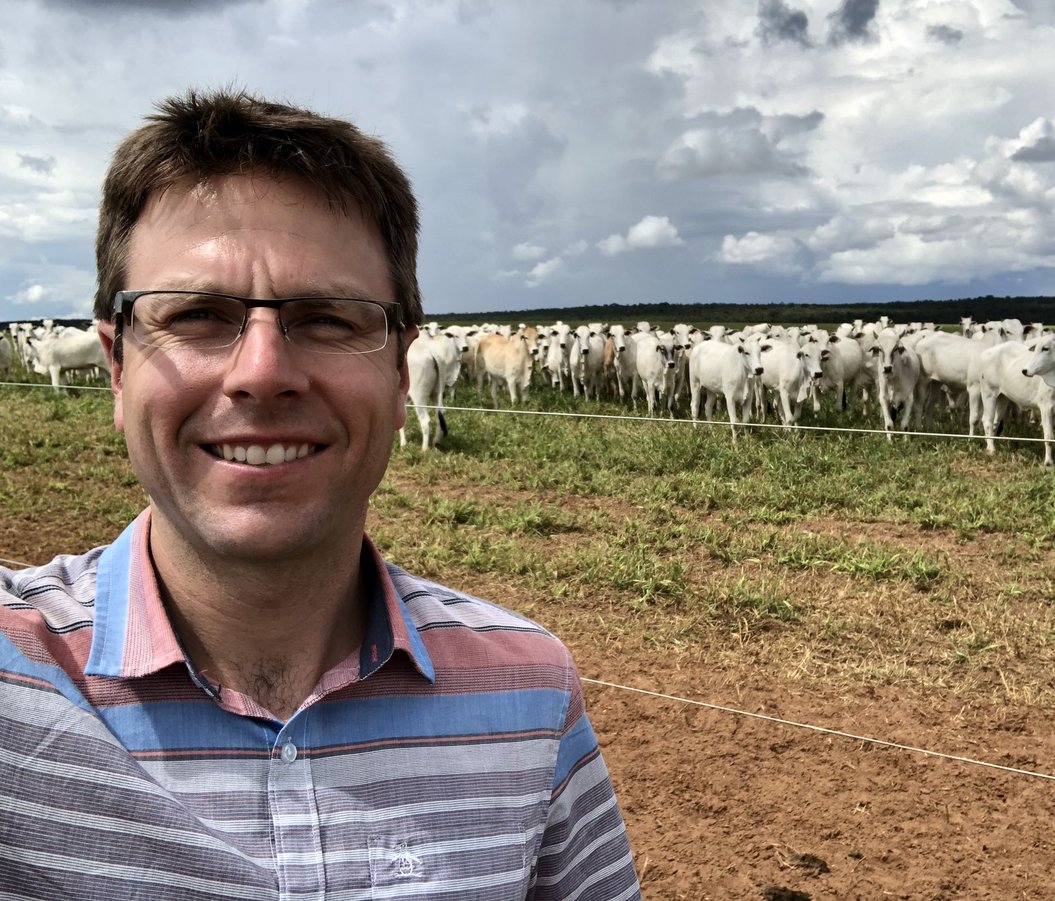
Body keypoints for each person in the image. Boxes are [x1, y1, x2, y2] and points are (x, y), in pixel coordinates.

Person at [0, 88, 641, 900]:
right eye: (197, 314)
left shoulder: (531, 691)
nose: (262, 373)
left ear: (403, 372)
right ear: (117, 367)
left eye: (329, 318)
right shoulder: (15, 680)